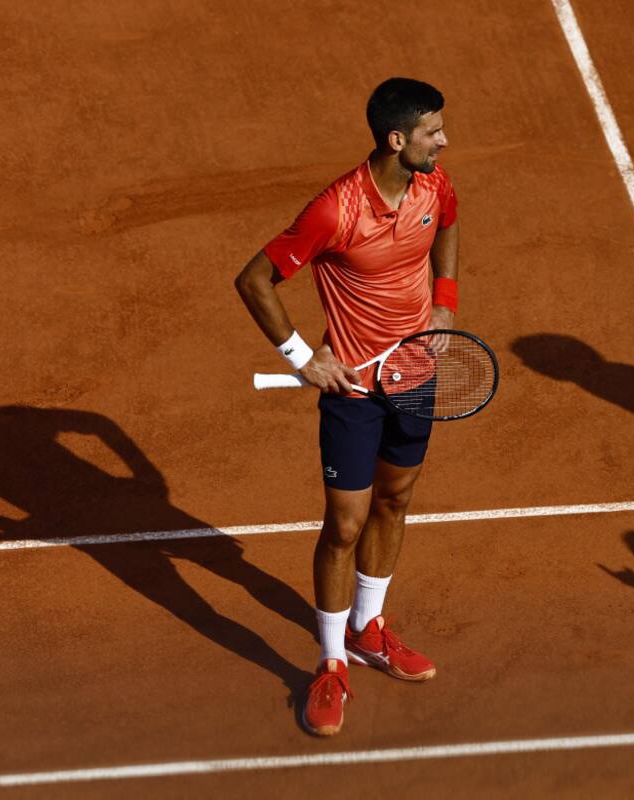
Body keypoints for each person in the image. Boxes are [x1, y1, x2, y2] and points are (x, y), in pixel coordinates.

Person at [234, 77, 459, 736]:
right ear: (397, 139)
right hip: (354, 389)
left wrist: (444, 302)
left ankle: (369, 628)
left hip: (416, 373)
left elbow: (447, 226)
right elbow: (254, 279)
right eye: (432, 132)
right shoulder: (336, 210)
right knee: (345, 522)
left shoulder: (433, 186)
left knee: (396, 499)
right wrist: (304, 358)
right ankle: (332, 662)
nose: (443, 141)